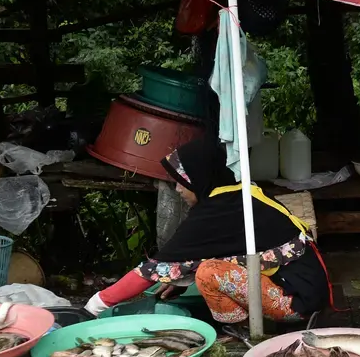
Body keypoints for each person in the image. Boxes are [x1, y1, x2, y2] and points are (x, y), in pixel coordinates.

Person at [84, 137, 330, 326]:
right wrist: (180, 281)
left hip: (296, 303)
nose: (178, 190)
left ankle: (239, 331)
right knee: (203, 270)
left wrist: (94, 306)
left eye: (182, 181)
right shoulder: (237, 195)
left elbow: (151, 270)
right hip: (307, 289)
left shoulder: (220, 210)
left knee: (208, 273)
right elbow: (231, 251)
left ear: (200, 177)